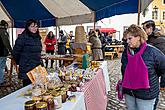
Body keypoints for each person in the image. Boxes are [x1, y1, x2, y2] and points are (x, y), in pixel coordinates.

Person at [121, 24, 165, 110]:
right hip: (129, 92)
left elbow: (163, 68)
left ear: (139, 37)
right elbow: (124, 70)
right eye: (126, 39)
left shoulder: (152, 52)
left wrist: (160, 82)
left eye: (130, 38)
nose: (127, 42)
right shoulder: (126, 53)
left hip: (146, 94)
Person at [142, 20, 165, 110]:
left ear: (150, 28)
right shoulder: (149, 37)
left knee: (154, 93)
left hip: (154, 72)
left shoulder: (159, 39)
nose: (143, 30)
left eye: (144, 28)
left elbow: (161, 61)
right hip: (148, 71)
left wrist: (153, 72)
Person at [13, 19, 42, 87]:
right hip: (27, 67)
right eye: (32, 26)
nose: (34, 28)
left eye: (36, 26)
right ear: (27, 27)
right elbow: (15, 52)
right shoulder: (22, 37)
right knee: (27, 88)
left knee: (37, 86)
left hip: (37, 66)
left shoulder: (37, 37)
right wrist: (21, 62)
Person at [0, 20, 12, 86]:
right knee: (1, 67)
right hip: (2, 52)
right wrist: (11, 51)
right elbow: (6, 43)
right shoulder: (3, 31)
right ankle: (1, 81)